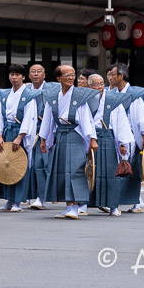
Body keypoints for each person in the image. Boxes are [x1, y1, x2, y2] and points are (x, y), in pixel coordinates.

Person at [38, 65, 98, 220]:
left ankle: (76, 206)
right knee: (62, 170)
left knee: (75, 170)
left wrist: (92, 138)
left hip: (76, 135)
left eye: (73, 75)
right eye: (68, 75)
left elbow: (86, 118)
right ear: (59, 79)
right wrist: (44, 138)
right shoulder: (53, 95)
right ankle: (68, 206)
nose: (72, 77)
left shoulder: (79, 95)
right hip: (61, 135)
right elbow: (48, 118)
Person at [106, 62, 144, 212]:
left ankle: (135, 201)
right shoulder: (109, 93)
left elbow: (142, 117)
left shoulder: (134, 95)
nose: (109, 78)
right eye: (108, 75)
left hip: (131, 138)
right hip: (114, 136)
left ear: (121, 76)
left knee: (130, 170)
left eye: (112, 75)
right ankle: (118, 200)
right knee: (117, 169)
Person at [0, 63, 38, 212]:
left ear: (23, 77)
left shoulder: (29, 95)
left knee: (18, 165)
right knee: (5, 164)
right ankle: (9, 199)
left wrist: (20, 137)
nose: (14, 77)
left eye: (17, 75)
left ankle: (17, 200)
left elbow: (30, 117)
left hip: (19, 132)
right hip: (6, 131)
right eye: (12, 74)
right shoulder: (4, 95)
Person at [88, 71, 135, 216]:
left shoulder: (112, 100)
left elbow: (121, 122)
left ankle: (113, 206)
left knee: (111, 172)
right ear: (89, 86)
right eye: (96, 84)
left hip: (108, 135)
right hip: (91, 137)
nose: (100, 87)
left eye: (102, 84)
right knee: (90, 172)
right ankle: (84, 205)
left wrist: (122, 144)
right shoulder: (85, 100)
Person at [23, 62, 53, 209]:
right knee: (29, 164)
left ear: (44, 75)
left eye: (39, 71)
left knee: (42, 164)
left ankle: (42, 197)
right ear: (29, 75)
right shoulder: (26, 90)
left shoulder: (52, 89)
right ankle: (28, 195)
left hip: (44, 130)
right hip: (28, 130)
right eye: (33, 71)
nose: (35, 74)